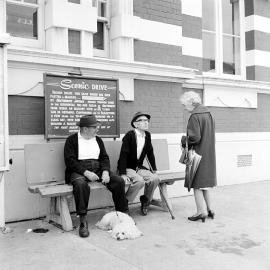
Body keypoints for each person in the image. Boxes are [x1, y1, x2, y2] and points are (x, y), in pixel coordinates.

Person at [64, 114, 128, 237]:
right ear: (85, 129)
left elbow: (104, 157)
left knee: (118, 181)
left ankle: (123, 216)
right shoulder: (71, 140)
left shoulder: (98, 139)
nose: (97, 129)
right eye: (94, 127)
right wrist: (86, 173)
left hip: (98, 169)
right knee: (80, 185)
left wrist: (105, 171)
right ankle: (83, 220)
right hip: (78, 170)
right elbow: (70, 161)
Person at [180, 91, 217, 222]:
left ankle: (201, 212)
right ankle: (210, 210)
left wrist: (184, 139)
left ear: (191, 102)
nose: (184, 108)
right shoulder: (209, 114)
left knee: (197, 184)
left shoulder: (195, 116)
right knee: (205, 184)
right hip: (208, 154)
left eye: (184, 105)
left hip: (197, 154)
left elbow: (195, 138)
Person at [118, 112, 160, 216]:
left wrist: (154, 169)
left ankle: (146, 200)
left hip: (138, 168)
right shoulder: (130, 135)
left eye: (147, 120)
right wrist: (122, 173)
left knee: (155, 178)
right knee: (139, 181)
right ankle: (125, 203)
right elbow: (123, 154)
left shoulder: (147, 135)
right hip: (127, 167)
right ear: (135, 124)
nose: (146, 123)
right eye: (142, 120)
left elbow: (150, 153)